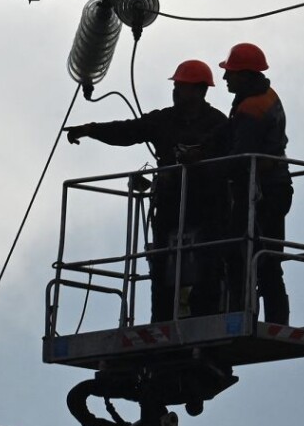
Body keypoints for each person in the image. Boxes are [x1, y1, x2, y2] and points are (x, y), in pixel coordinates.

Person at [65, 60, 228, 321]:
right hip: (170, 202)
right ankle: (161, 320)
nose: (175, 91)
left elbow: (230, 157)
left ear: (199, 90)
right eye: (175, 86)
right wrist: (91, 130)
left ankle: (205, 316)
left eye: (181, 87)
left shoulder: (217, 124)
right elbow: (127, 131)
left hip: (206, 204)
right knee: (162, 263)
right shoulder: (164, 120)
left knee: (207, 261)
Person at [215, 42, 292, 325]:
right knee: (268, 258)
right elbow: (228, 132)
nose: (225, 78)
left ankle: (239, 314)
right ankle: (276, 320)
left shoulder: (251, 108)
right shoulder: (266, 96)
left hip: (261, 193)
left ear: (245, 75)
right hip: (276, 187)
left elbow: (240, 156)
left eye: (230, 73)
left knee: (240, 254)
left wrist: (210, 170)